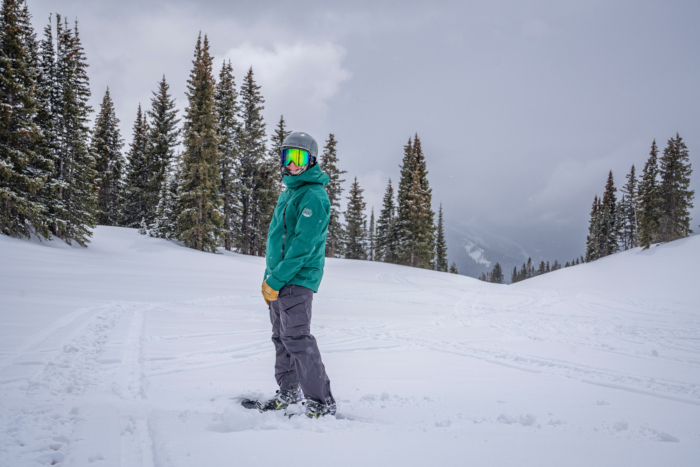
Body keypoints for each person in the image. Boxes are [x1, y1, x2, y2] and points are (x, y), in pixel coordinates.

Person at [257, 132, 336, 418]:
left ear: (311, 160)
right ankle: (289, 394)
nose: (291, 163)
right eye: (286, 156)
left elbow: (302, 248)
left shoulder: (314, 196)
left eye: (298, 157)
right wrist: (269, 278)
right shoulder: (290, 193)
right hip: (279, 278)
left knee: (298, 339)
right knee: (281, 338)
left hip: (297, 280)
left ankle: (320, 402)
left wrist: (276, 280)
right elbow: (279, 241)